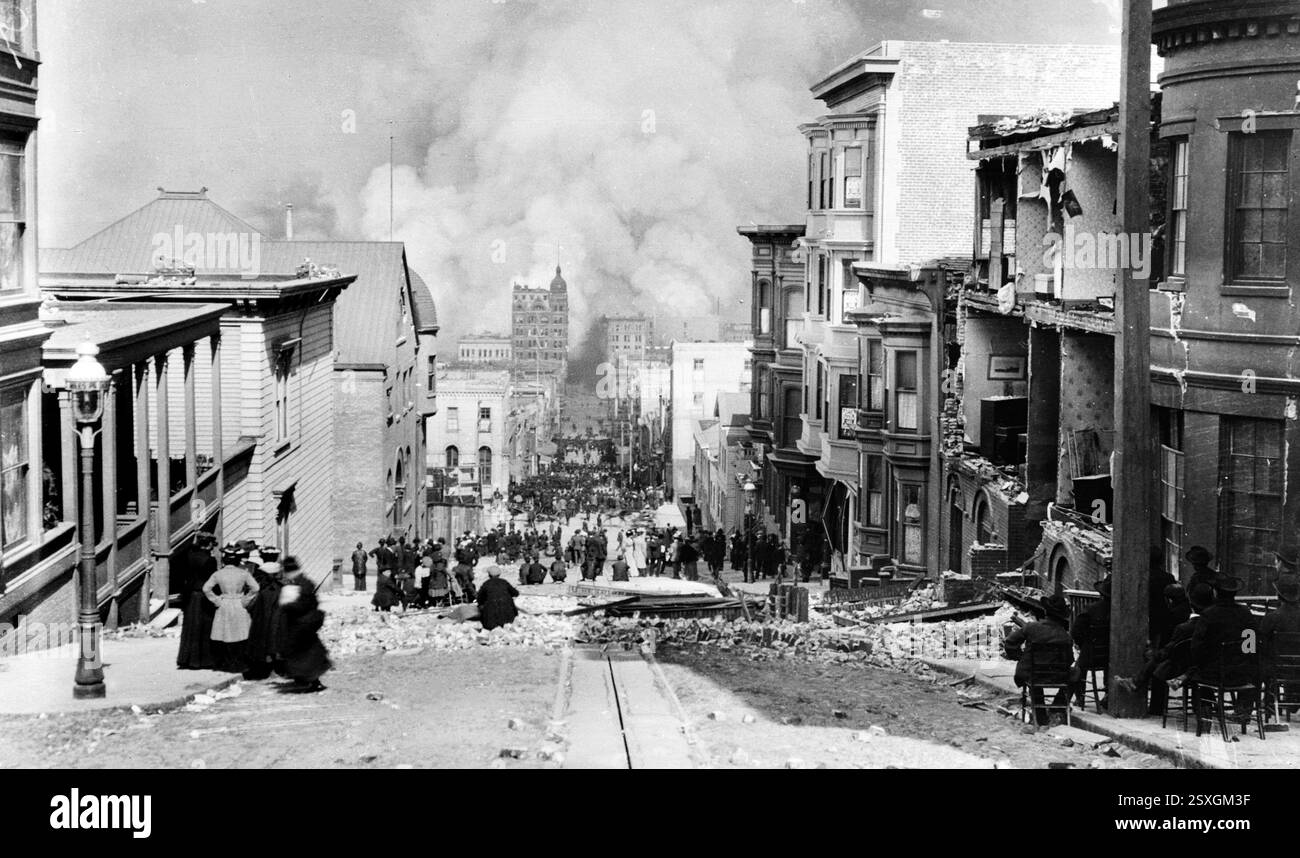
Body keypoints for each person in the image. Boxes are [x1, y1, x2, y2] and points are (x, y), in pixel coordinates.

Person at [1189, 574, 1259, 710]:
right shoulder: (1245, 613)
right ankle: (1243, 710)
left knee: (1195, 673)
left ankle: (1206, 710)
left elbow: (1197, 647)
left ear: (1215, 593)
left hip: (1214, 674)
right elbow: (1252, 645)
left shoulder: (1209, 615)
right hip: (1241, 673)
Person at [1003, 593, 1075, 726]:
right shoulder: (1065, 636)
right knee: (1076, 672)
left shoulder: (1031, 627)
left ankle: (1040, 716)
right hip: (1057, 677)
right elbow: (1069, 660)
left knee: (1033, 674)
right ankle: (1057, 707)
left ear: (1046, 611)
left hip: (1032, 674)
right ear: (1062, 616)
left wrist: (1020, 657)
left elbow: (1010, 643)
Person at [202, 544, 261, 673]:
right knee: (240, 634)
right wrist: (245, 599)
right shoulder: (243, 573)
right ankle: (239, 663)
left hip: (224, 604)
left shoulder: (218, 574)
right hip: (239, 603)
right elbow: (255, 588)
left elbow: (206, 588)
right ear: (237, 560)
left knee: (225, 633)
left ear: (224, 560)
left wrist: (216, 600)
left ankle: (226, 663)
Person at [278, 568, 331, 693]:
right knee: (307, 655)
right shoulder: (303, 586)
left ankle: (309, 679)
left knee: (303, 655)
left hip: (300, 626)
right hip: (303, 626)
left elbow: (296, 607)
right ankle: (309, 679)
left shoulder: (296, 588)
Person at [177, 534, 220, 670]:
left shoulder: (189, 556)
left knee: (190, 627)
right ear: (208, 545)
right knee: (205, 627)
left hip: (191, 595)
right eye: (212, 545)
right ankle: (204, 660)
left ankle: (187, 659)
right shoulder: (210, 560)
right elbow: (212, 581)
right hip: (204, 595)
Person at [243, 551, 285, 680]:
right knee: (276, 631)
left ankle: (264, 661)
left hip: (262, 604)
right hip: (277, 602)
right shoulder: (279, 570)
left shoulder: (259, 571)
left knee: (262, 631)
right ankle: (277, 661)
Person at [1072, 577, 1112, 709]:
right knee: (1109, 665)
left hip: (1091, 655)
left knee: (1077, 669)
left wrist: (1083, 645)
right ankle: (1108, 694)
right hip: (1111, 655)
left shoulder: (1091, 609)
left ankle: (1080, 698)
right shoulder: (1119, 610)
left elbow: (1076, 631)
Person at [477, 566, 519, 630]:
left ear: (489, 575)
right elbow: (515, 593)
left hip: (491, 622)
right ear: (499, 574)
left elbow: (479, 599)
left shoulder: (486, 584)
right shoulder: (504, 582)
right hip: (509, 619)